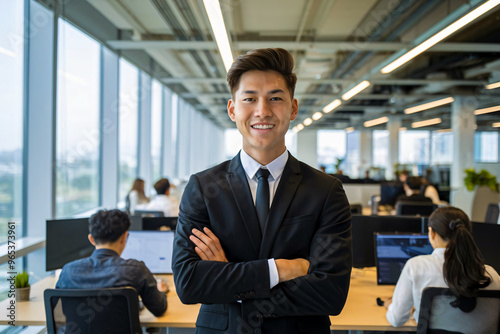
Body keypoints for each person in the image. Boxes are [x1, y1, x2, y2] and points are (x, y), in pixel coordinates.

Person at [172, 48, 352, 334]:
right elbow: (189, 283)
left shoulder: (326, 190)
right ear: (233, 109)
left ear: (293, 108)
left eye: (275, 98)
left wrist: (229, 280)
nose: (262, 111)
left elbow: (330, 292)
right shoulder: (204, 187)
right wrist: (281, 269)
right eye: (250, 99)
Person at [386, 206, 500, 329]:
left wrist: (391, 306)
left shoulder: (416, 266)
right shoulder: (492, 274)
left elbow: (396, 320)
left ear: (432, 233)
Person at [56, 209, 168, 317]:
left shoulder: (68, 272)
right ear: (124, 237)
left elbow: (58, 310)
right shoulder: (136, 270)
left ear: (91, 239)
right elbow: (159, 309)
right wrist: (160, 291)